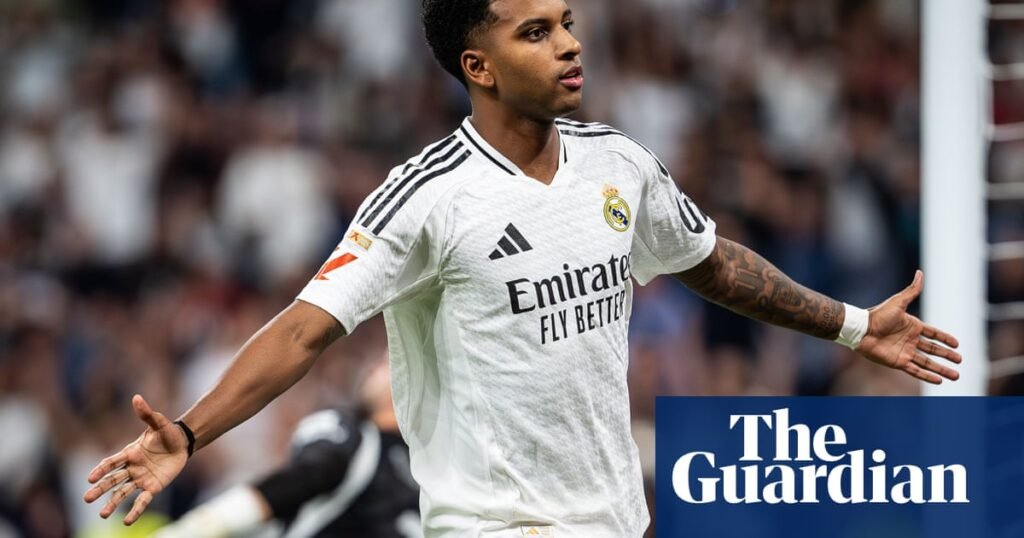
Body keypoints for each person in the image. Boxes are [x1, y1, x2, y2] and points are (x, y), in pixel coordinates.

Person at [83, 0, 963, 536]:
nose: (569, 44)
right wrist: (190, 433)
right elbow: (305, 330)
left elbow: (710, 263)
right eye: (536, 33)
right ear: (480, 67)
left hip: (613, 522)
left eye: (568, 24)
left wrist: (852, 325)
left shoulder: (618, 163)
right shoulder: (426, 197)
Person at [152, 359, 421, 538]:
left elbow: (300, 479)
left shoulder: (422, 467)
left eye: (386, 361)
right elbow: (302, 478)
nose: (373, 368)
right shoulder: (360, 439)